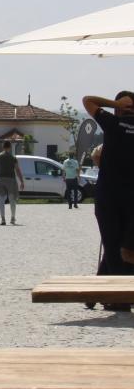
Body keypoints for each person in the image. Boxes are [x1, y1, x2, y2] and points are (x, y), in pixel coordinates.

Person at [81, 93, 134, 291]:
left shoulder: (112, 122)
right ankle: (113, 295)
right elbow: (87, 100)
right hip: (111, 197)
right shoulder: (112, 123)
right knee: (114, 246)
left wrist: (115, 104)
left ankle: (111, 292)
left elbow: (88, 101)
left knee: (122, 247)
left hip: (114, 197)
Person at [0, 141, 24, 225]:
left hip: (1, 180)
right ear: (10, 147)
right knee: (12, 199)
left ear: (3, 147)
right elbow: (17, 170)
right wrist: (21, 181)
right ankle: (13, 218)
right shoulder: (13, 158)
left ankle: (3, 219)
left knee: (1, 199)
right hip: (11, 180)